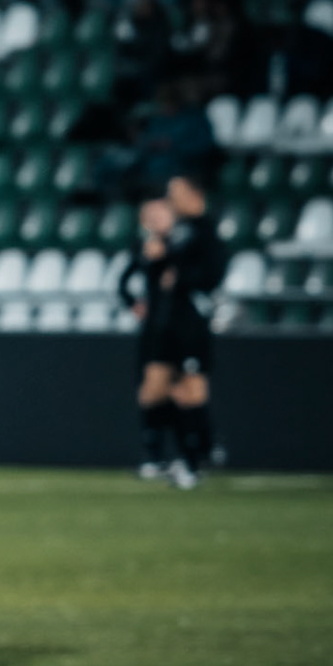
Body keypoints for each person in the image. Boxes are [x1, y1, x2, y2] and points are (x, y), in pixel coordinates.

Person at [119, 173, 225, 488]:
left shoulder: (203, 233)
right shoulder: (169, 237)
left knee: (189, 391)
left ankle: (197, 457)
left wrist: (176, 274)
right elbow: (133, 278)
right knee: (156, 390)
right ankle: (172, 458)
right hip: (163, 325)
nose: (171, 197)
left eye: (175, 192)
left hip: (190, 325)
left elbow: (209, 276)